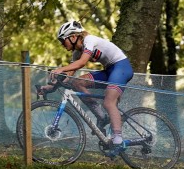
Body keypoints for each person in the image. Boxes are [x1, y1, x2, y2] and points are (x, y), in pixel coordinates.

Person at [49, 20, 134, 151]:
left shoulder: (89, 40)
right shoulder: (77, 52)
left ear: (72, 37)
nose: (62, 44)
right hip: (110, 70)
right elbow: (68, 77)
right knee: (76, 82)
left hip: (122, 67)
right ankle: (101, 116)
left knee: (109, 102)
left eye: (62, 40)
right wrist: (50, 87)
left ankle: (118, 139)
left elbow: (82, 63)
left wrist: (61, 69)